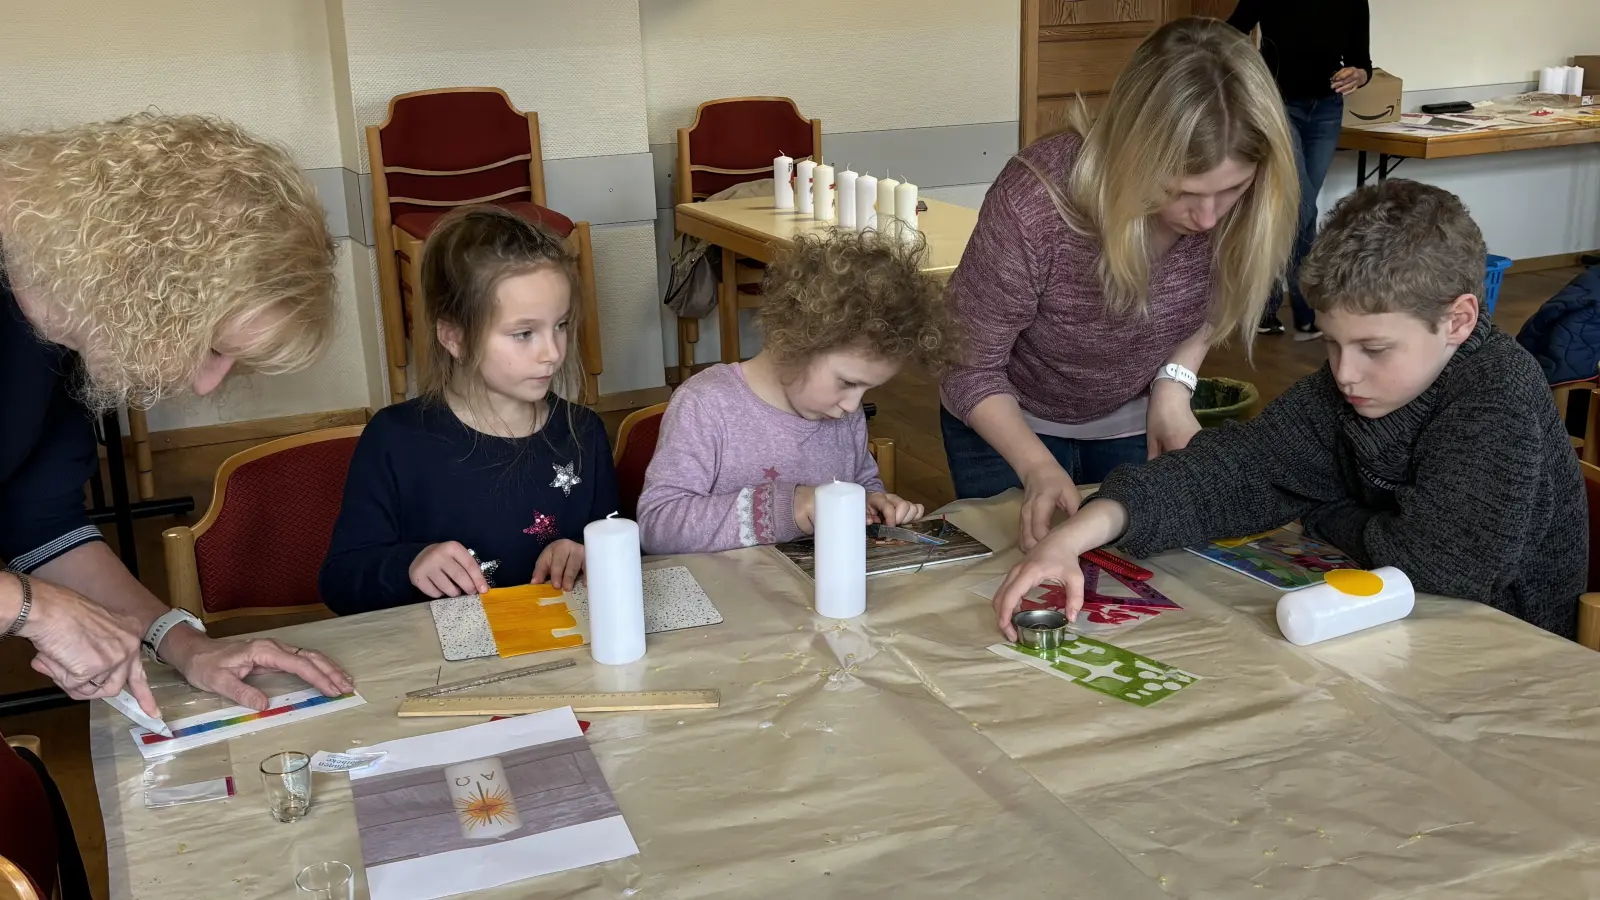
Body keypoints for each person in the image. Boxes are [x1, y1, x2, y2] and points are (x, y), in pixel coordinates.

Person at [992, 180, 1586, 641]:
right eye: (1331, 342)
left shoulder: (1494, 398)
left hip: (1500, 644)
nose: (1345, 372)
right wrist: (1081, 533)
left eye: (1373, 349)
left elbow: (1439, 571)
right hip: (1404, 622)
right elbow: (1236, 469)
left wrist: (1326, 511)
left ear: (1457, 321)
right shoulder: (1356, 386)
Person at [1, 114, 354, 717]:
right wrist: (31, 607)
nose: (203, 381)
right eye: (213, 347)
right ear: (151, 277)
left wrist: (182, 642)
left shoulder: (70, 324)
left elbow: (43, 526)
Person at [939, 17, 1300, 554]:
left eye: (1231, 190)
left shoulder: (1253, 204)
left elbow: (1219, 302)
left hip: (1132, 418)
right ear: (1130, 155)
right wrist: (1036, 463)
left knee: (1147, 589)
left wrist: (1174, 385)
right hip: (1006, 422)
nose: (1206, 218)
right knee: (1021, 584)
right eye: (1180, 192)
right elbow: (967, 365)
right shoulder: (1035, 202)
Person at [320, 207, 617, 612]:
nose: (552, 353)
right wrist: (409, 565)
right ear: (454, 336)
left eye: (561, 325)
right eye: (524, 333)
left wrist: (587, 555)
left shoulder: (584, 432)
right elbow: (340, 581)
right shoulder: (396, 440)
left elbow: (620, 546)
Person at [638, 229, 958, 555]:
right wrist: (787, 508)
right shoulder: (706, 406)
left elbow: (862, 481)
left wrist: (872, 503)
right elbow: (657, 527)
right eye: (847, 383)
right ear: (793, 343)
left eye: (867, 389)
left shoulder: (842, 414)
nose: (853, 405)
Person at [1228, 0, 1372, 339]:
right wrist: (1250, 80)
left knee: (1299, 209)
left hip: (1326, 110)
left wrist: (1359, 75)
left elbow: (1361, 63)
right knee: (1301, 205)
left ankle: (1270, 306)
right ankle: (1302, 309)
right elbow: (1230, 33)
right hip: (1278, 106)